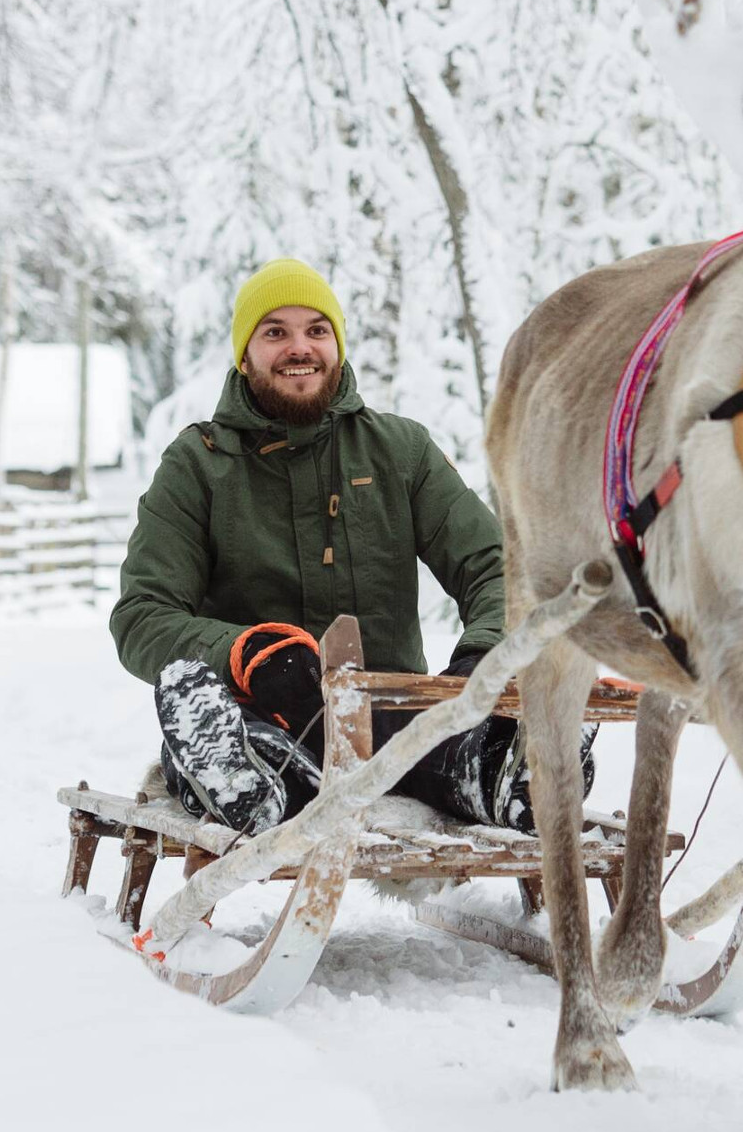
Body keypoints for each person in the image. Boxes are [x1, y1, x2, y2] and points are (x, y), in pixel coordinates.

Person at [109, 258, 586, 835]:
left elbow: (500, 569)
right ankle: (253, 781)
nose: (299, 348)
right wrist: (245, 651)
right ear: (244, 354)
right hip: (266, 712)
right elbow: (142, 617)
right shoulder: (197, 466)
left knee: (456, 743)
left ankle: (515, 770)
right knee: (222, 726)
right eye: (275, 332)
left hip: (396, 715)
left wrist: (485, 655)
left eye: (316, 330)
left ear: (337, 343)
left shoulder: (400, 451)